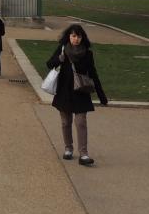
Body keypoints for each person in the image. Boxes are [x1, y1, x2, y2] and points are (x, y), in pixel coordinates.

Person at [45, 24, 108, 166]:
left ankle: (84, 154)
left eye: (79, 36)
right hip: (64, 91)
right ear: (69, 36)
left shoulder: (87, 53)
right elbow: (49, 64)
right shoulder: (62, 50)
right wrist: (59, 59)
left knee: (81, 122)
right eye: (73, 36)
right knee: (65, 122)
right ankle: (68, 148)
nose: (76, 39)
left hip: (80, 91)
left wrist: (101, 94)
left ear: (82, 37)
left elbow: (93, 74)